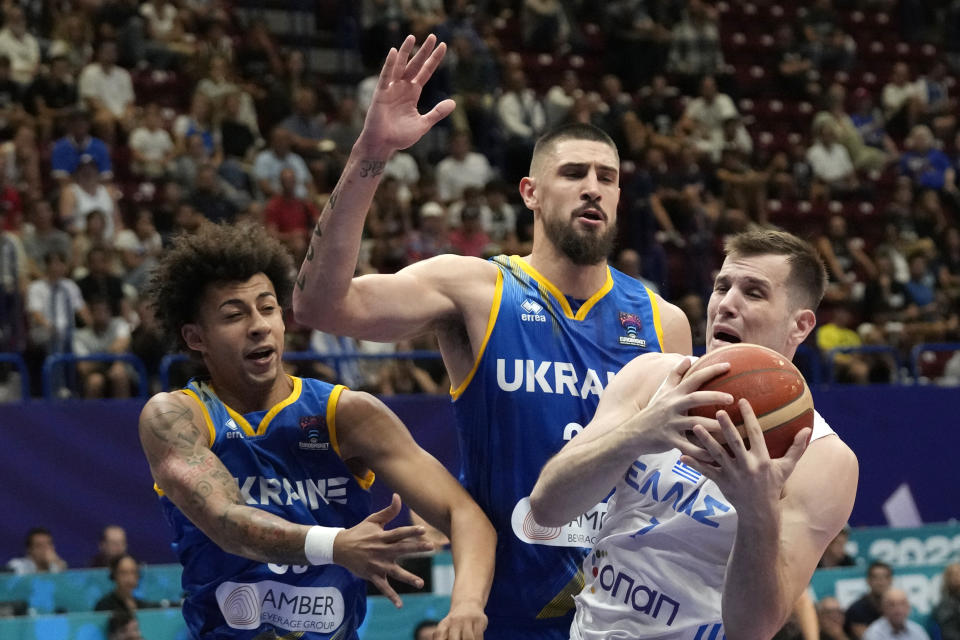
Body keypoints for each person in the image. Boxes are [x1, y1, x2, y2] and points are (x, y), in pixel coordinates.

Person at [292, 35, 691, 638]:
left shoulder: (664, 321)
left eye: (607, 177)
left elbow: (674, 486)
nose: (593, 187)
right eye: (574, 173)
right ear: (530, 192)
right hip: (504, 613)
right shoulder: (476, 289)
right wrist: (371, 153)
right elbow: (321, 304)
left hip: (629, 618)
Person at [139, 222, 494, 640]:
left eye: (268, 308)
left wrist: (467, 605)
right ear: (196, 337)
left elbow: (465, 514)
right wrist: (337, 545)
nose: (259, 325)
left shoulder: (345, 413)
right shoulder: (177, 417)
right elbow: (226, 522)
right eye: (234, 315)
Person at [530, 229, 859, 638]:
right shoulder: (651, 377)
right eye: (722, 286)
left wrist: (757, 509)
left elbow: (751, 630)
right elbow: (546, 508)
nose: (726, 305)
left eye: (753, 293)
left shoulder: (823, 459)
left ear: (800, 326)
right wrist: (639, 432)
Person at [94, 553, 161, 613]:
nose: (129, 579)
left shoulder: (142, 605)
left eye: (133, 572)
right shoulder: (104, 606)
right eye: (124, 573)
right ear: (114, 575)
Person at [846, 562, 894, 639]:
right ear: (868, 581)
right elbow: (866, 637)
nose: (880, 582)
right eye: (876, 578)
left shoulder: (899, 608)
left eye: (884, 577)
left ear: (891, 580)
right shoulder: (856, 609)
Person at [862, 588, 930, 640]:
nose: (898, 610)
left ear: (909, 607)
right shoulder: (873, 633)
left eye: (902, 604)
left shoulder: (917, 630)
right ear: (883, 608)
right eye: (892, 605)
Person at [933, 563, 960, 640]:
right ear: (948, 580)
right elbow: (948, 634)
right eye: (956, 575)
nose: (958, 577)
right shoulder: (945, 606)